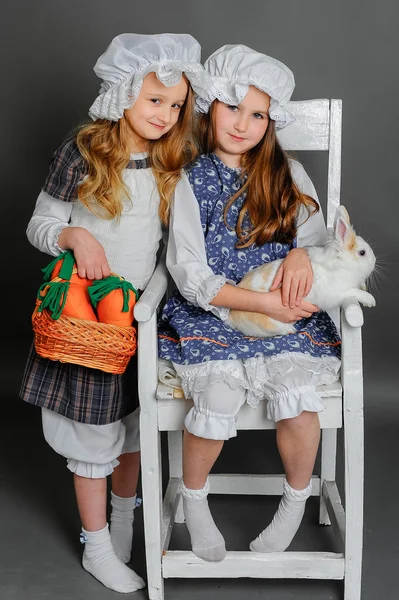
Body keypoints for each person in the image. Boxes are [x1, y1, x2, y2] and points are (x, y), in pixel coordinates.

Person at [20, 32, 204, 592]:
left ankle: (125, 518)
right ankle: (96, 545)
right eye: (154, 101)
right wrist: (74, 234)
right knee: (94, 433)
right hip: (86, 325)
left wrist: (154, 302)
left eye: (175, 106)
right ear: (122, 94)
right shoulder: (82, 152)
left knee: (132, 427)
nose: (166, 116)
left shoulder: (175, 160)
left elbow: (175, 248)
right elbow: (38, 224)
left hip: (139, 323)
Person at [158, 44, 341, 562]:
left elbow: (315, 238)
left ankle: (293, 503)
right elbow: (190, 272)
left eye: (257, 114)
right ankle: (195, 502)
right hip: (217, 310)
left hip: (283, 317)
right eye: (233, 107)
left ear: (271, 120)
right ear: (210, 104)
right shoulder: (191, 181)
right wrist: (259, 302)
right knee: (213, 402)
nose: (242, 124)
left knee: (301, 398)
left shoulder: (289, 174)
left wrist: (304, 256)